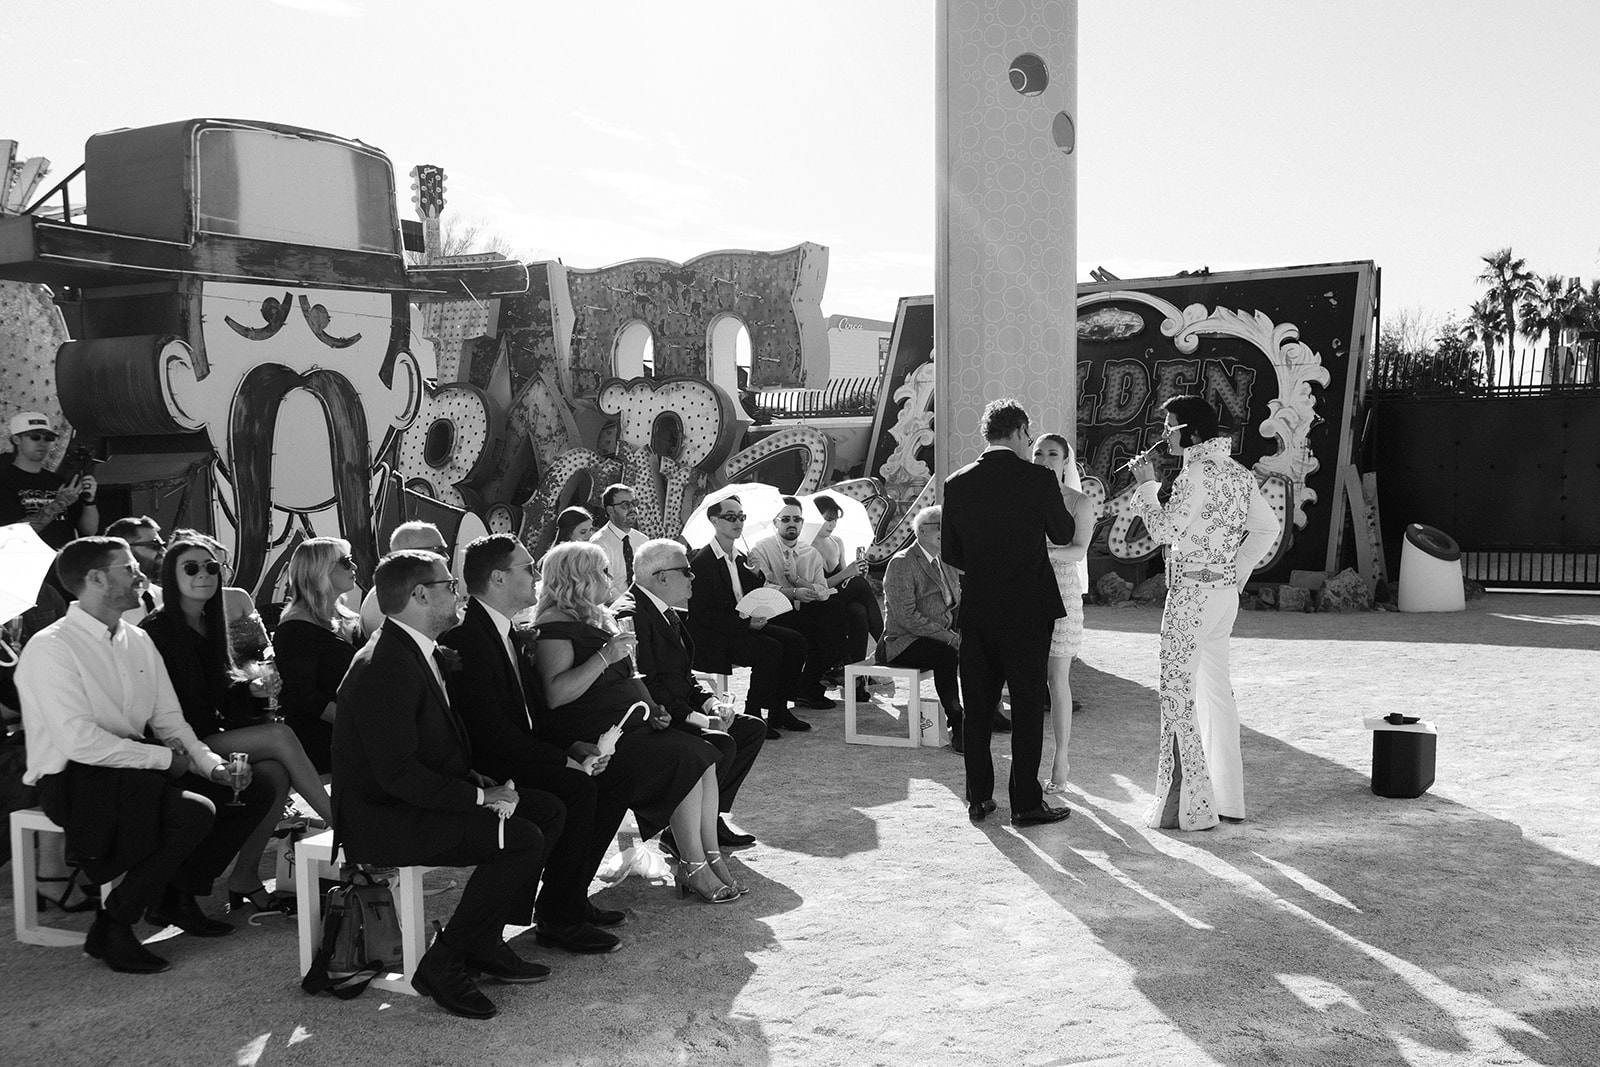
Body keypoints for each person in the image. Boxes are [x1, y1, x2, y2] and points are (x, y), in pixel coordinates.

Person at [15, 537, 275, 973]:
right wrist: (163, 761)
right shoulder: (51, 647)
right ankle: (114, 923)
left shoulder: (136, 639)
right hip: (73, 778)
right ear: (96, 579)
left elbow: (170, 722)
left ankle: (179, 896)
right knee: (192, 813)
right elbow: (79, 742)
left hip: (136, 768)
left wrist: (213, 767)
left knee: (255, 788)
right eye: (129, 567)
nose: (142, 573)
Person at [335, 549, 563, 1019]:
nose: (458, 593)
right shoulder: (385, 664)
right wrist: (480, 797)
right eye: (449, 586)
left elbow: (428, 750)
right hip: (385, 818)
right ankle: (445, 962)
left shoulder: (413, 647)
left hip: (416, 800)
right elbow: (397, 775)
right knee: (521, 838)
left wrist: (477, 780)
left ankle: (482, 940)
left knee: (547, 810)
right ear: (419, 594)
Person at [439, 534, 626, 954]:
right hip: (487, 763)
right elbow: (490, 732)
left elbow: (534, 713)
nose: (538, 577)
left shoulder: (506, 629)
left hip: (515, 750)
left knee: (611, 778)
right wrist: (562, 760)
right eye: (528, 568)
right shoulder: (468, 637)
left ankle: (568, 900)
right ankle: (559, 916)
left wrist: (575, 747)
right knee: (574, 791)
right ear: (498, 578)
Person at [532, 542, 741, 903]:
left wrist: (653, 707)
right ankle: (692, 865)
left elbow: (631, 675)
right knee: (686, 756)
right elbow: (556, 694)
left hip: (631, 725)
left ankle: (709, 856)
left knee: (703, 753)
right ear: (578, 578)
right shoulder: (554, 624)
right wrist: (604, 655)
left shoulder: (597, 615)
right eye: (603, 571)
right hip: (595, 736)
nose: (612, 578)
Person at [140, 535, 334, 913]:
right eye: (191, 568)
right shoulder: (158, 629)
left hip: (209, 735)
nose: (204, 575)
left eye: (211, 567)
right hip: (177, 741)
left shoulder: (211, 624)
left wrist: (254, 689)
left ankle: (245, 875)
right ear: (170, 575)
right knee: (280, 735)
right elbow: (173, 709)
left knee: (276, 775)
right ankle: (343, 827)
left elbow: (223, 696)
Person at [1131, 396, 1279, 830]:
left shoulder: (1193, 474)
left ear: (1192, 433)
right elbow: (1267, 528)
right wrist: (1236, 573)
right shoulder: (1237, 472)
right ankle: (1228, 801)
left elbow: (1164, 531)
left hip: (1191, 594)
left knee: (1177, 694)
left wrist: (1146, 486)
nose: (1164, 434)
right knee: (1218, 694)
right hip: (1221, 594)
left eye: (1169, 427)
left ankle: (1190, 809)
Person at [941, 397, 1074, 826]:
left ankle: (979, 798)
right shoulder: (1038, 478)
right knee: (1028, 704)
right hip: (1028, 610)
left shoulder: (956, 482)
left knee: (977, 706)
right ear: (1019, 432)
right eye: (1028, 437)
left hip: (978, 609)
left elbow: (951, 552)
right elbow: (1063, 531)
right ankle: (1025, 803)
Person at [615, 538, 765, 849]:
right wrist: (702, 720)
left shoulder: (662, 608)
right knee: (720, 741)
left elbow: (683, 675)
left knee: (750, 728)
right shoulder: (630, 615)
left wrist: (712, 704)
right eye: (686, 571)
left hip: (677, 708)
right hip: (654, 718)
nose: (692, 576)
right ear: (662, 577)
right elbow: (648, 688)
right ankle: (678, 828)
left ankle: (709, 818)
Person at [685, 495, 813, 736]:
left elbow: (754, 596)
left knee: (796, 641)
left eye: (741, 517)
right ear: (714, 520)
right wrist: (746, 626)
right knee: (770, 648)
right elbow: (702, 615)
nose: (738, 523)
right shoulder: (702, 562)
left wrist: (755, 574)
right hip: (715, 635)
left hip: (743, 626)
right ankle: (754, 712)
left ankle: (779, 709)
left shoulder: (742, 557)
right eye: (730, 517)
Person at [1031, 433, 1096, 796]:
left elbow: (1078, 550)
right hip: (1023, 590)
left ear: (1065, 460)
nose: (1044, 458)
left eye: (1052, 454)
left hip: (1062, 590)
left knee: (1057, 679)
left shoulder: (1079, 502)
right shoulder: (1022, 496)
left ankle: (1061, 757)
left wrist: (1040, 554)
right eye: (1038, 452)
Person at [272, 538, 362, 774]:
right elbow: (305, 698)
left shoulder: (348, 619)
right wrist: (362, 724)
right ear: (319, 571)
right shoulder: (295, 629)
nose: (354, 567)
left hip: (355, 729)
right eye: (346, 562)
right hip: (323, 739)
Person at [745, 496, 844, 709]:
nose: (792, 523)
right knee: (809, 629)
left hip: (804, 608)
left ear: (802, 522)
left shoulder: (810, 553)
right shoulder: (761, 549)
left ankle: (811, 686)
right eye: (786, 519)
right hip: (773, 611)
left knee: (835, 611)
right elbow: (761, 588)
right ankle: (801, 690)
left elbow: (822, 590)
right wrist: (792, 592)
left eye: (797, 519)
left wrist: (800, 582)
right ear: (775, 522)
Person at [882, 505, 965, 753]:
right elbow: (907, 617)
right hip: (904, 641)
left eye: (945, 525)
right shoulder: (902, 563)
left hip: (939, 634)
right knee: (946, 654)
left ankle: (988, 712)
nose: (943, 530)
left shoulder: (945, 560)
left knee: (984, 644)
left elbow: (956, 603)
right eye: (937, 526)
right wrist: (950, 638)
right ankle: (958, 724)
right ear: (920, 531)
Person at [811, 493, 883, 683]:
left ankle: (856, 680)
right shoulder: (805, 546)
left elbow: (845, 581)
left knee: (858, 610)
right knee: (858, 586)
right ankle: (886, 641)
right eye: (827, 519)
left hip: (840, 598)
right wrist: (847, 575)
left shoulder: (837, 542)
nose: (831, 525)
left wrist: (856, 572)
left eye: (834, 520)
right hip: (820, 601)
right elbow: (817, 588)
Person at [0, 411, 98, 550]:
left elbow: (89, 530)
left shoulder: (58, 481)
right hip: (24, 564)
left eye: (48, 438)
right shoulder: (5, 480)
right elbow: (12, 533)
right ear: (17, 439)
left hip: (62, 564)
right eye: (35, 437)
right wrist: (59, 503)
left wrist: (89, 500)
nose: (42, 443)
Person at [359, 521, 451, 637]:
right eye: (440, 550)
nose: (447, 557)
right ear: (412, 553)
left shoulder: (393, 591)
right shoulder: (390, 599)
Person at [589, 484, 649, 601]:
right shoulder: (599, 543)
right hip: (616, 609)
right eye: (625, 504)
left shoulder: (643, 540)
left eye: (634, 503)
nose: (632, 508)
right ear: (610, 510)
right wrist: (627, 605)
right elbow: (605, 586)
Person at [105, 516, 166, 624]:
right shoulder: (105, 604)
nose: (163, 551)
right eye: (155, 545)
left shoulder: (165, 597)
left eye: (163, 545)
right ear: (125, 550)